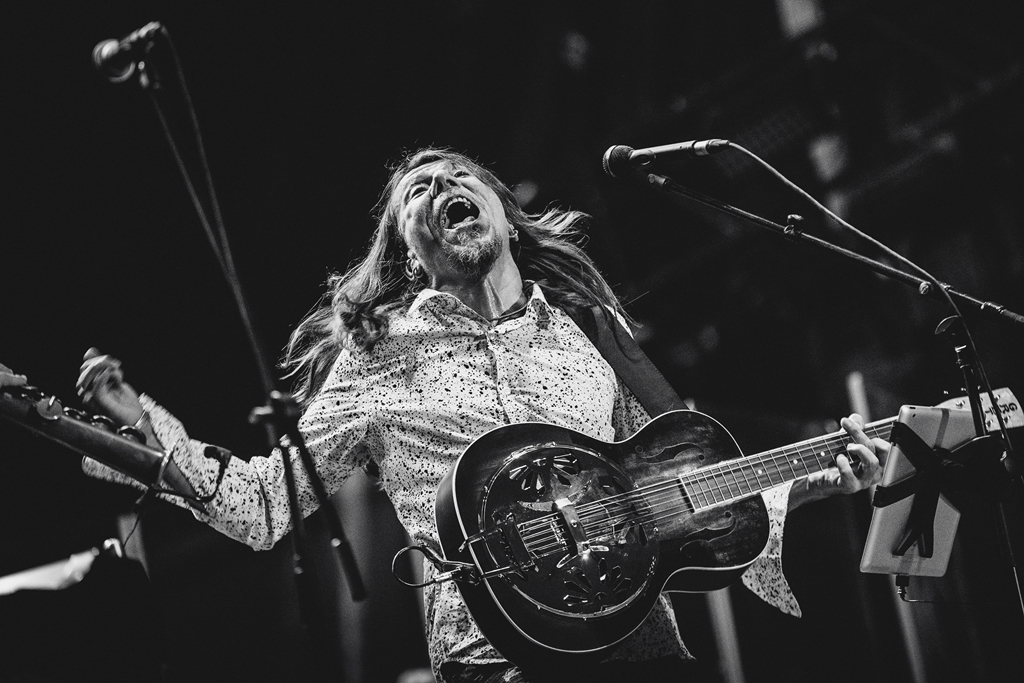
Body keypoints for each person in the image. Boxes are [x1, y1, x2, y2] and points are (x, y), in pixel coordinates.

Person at [21, 148, 888, 682]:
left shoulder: (590, 331)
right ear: (409, 250)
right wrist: (138, 429)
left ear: (503, 210)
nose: (440, 187)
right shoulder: (378, 357)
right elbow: (260, 508)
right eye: (418, 193)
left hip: (646, 656)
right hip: (499, 664)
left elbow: (676, 493)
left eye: (456, 176)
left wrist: (810, 479)